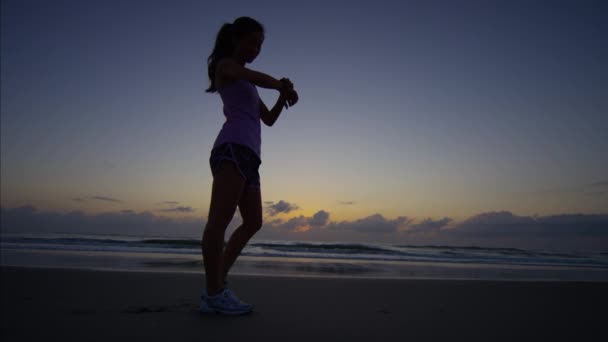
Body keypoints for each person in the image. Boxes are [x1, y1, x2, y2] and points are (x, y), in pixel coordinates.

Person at [199, 16, 299, 315]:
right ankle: (214, 293)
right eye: (251, 42)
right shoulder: (226, 67)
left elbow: (267, 120)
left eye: (259, 45)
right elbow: (256, 76)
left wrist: (282, 97)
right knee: (219, 220)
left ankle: (219, 281)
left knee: (254, 221)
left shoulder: (249, 84)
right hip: (231, 148)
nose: (255, 49)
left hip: (250, 155)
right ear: (235, 40)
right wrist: (280, 84)